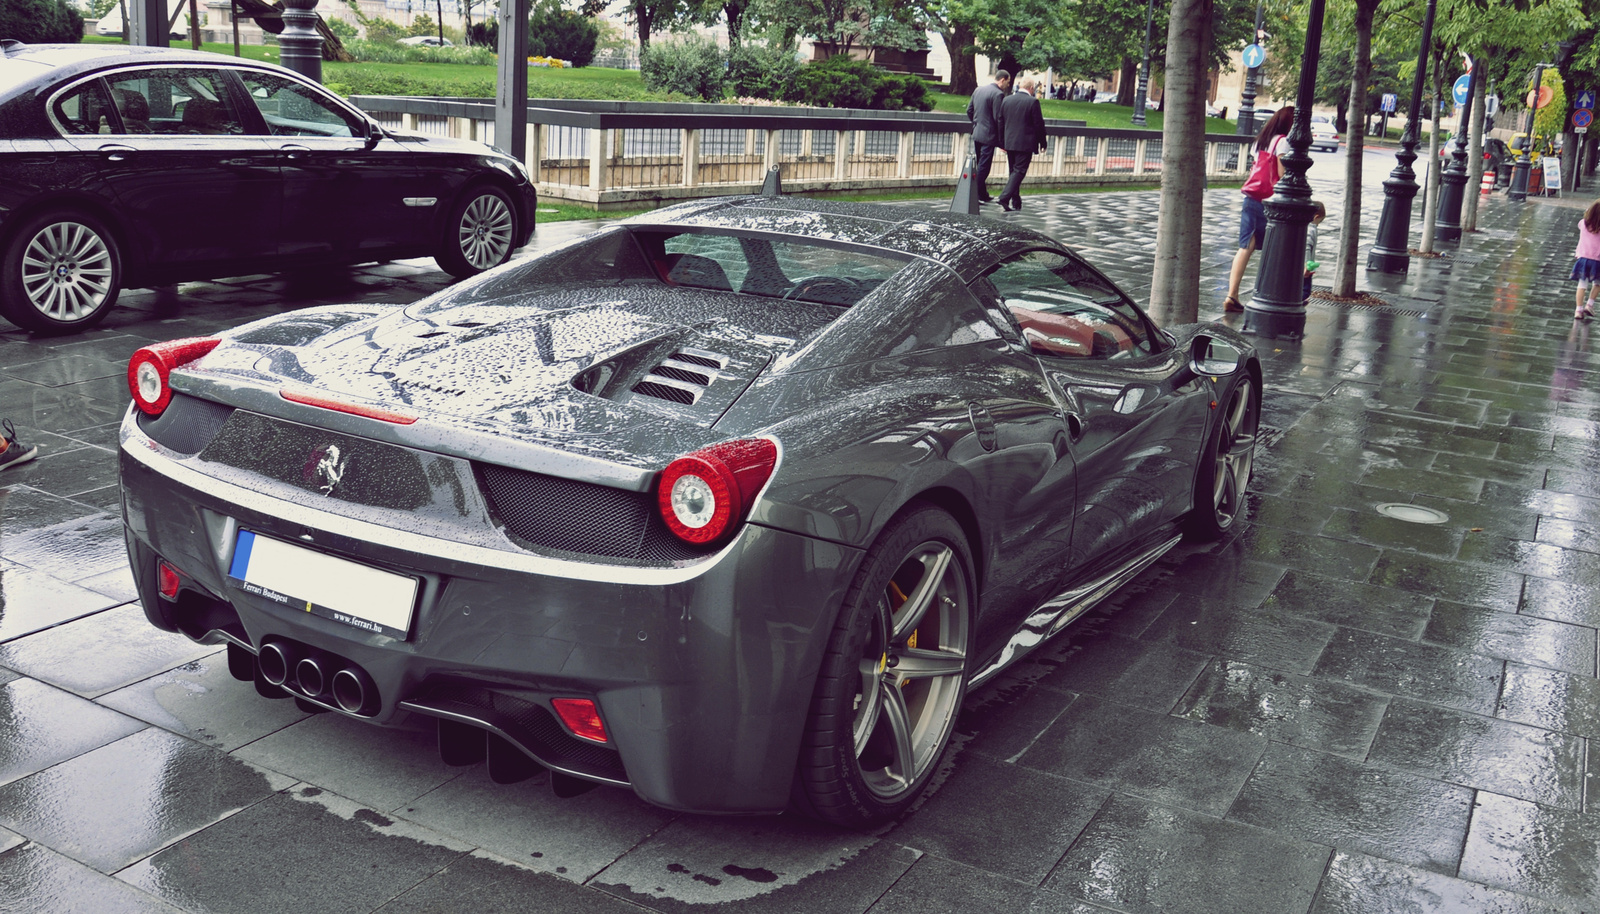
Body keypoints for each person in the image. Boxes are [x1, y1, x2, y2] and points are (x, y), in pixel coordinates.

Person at [1223, 106, 1295, 313]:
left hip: (1251, 198)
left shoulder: (1261, 140)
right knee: (1275, 246)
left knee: (1245, 246)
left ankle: (1232, 294)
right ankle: (1268, 293)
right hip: (1269, 201)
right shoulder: (1282, 141)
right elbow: (1281, 172)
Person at [997, 78, 1048, 212]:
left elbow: (1000, 122)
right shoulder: (1033, 102)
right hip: (1025, 143)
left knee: (1013, 172)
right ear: (1031, 88)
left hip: (1009, 142)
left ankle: (1015, 201)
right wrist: (1043, 143)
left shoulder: (1007, 100)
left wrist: (1002, 142)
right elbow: (1038, 125)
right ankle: (1004, 197)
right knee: (1019, 171)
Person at [966, 70, 1011, 204]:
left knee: (980, 164)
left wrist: (976, 124)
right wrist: (1002, 140)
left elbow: (969, 110)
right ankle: (975, 195)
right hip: (989, 136)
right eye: (1008, 82)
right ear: (1002, 80)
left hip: (977, 133)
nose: (1008, 85)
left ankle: (982, 194)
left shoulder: (978, 90)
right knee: (984, 167)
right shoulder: (998, 94)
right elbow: (999, 118)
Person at [1571, 198, 1600, 321]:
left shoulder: (1583, 223)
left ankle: (1578, 310)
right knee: (1598, 284)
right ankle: (1589, 304)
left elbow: (1582, 221)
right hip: (1597, 260)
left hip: (1583, 259)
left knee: (1582, 284)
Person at [1303, 200, 1326, 305]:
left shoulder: (1305, 227)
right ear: (1316, 217)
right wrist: (1307, 265)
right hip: (1307, 266)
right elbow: (1307, 246)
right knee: (1305, 290)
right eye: (1319, 222)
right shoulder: (1311, 229)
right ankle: (1299, 300)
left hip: (1307, 265)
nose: (1318, 225)